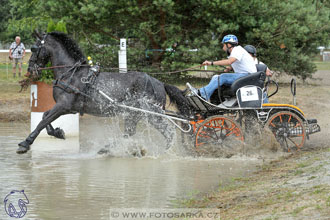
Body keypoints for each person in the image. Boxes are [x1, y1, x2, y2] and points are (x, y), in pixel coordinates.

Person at [194, 34, 257, 100]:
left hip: (249, 76)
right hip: (245, 76)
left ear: (229, 45)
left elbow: (229, 61)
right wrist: (230, 68)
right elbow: (242, 64)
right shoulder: (236, 52)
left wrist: (211, 63)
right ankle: (207, 96)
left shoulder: (237, 50)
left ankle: (202, 93)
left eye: (223, 45)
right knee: (216, 77)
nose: (223, 47)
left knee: (223, 77)